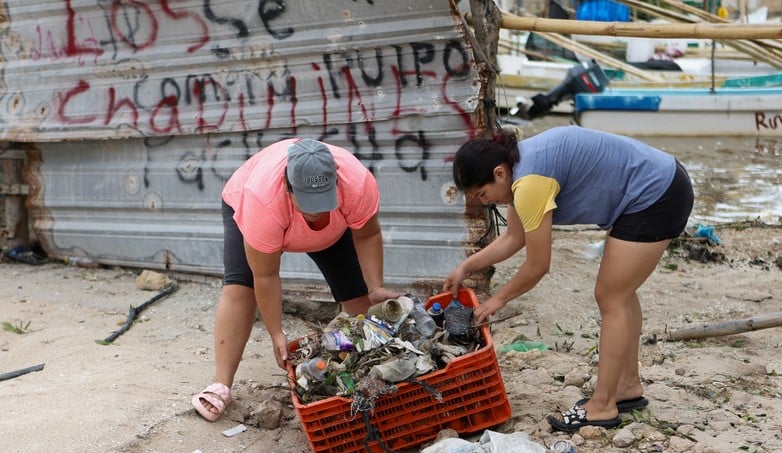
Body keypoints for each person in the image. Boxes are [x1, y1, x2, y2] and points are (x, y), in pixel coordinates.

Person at [444, 125, 694, 432]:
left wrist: (497, 299)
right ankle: (627, 386)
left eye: (482, 194)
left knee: (610, 296)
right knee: (621, 292)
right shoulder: (519, 167)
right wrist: (466, 267)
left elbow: (538, 265)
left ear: (499, 173)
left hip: (656, 195)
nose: (484, 202)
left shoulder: (530, 184)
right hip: (659, 182)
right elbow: (514, 237)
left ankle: (602, 406)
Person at [192, 138, 398, 421]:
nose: (316, 212)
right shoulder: (262, 199)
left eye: (324, 201)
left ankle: (367, 373)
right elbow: (266, 274)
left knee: (359, 299)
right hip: (252, 210)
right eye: (309, 204)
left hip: (333, 234)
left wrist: (375, 287)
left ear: (337, 182)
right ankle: (220, 384)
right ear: (287, 188)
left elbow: (367, 234)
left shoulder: (357, 181)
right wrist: (276, 332)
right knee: (242, 286)